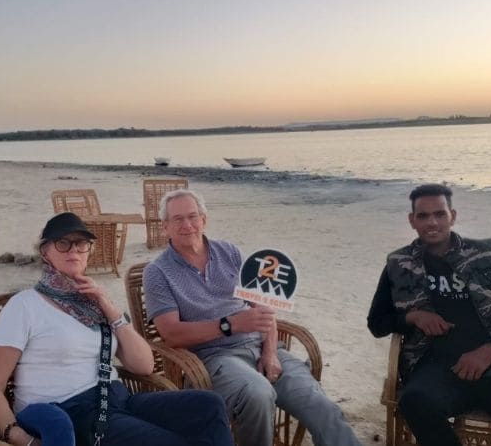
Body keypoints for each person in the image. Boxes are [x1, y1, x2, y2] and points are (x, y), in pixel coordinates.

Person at [0, 212, 234, 446]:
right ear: (46, 252)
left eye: (81, 244)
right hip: (70, 412)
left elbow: (143, 366)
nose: (73, 251)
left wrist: (111, 312)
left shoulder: (96, 304)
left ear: (89, 251)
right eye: (63, 243)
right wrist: (20, 437)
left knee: (208, 404)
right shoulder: (25, 305)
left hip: (118, 398)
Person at [143, 189, 363, 446]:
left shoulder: (230, 252)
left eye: (193, 216)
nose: (187, 225)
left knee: (321, 405)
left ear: (204, 219)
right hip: (215, 358)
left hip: (262, 347)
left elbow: (263, 309)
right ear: (165, 226)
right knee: (259, 393)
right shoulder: (157, 272)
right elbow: (171, 334)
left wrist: (270, 352)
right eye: (178, 219)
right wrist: (229, 325)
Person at [367, 183, 491, 446]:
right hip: (441, 368)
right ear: (412, 221)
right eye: (423, 216)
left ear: (452, 216)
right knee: (415, 402)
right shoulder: (399, 264)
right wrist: (413, 317)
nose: (432, 222)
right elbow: (377, 323)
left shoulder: (487, 255)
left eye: (440, 214)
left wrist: (489, 351)